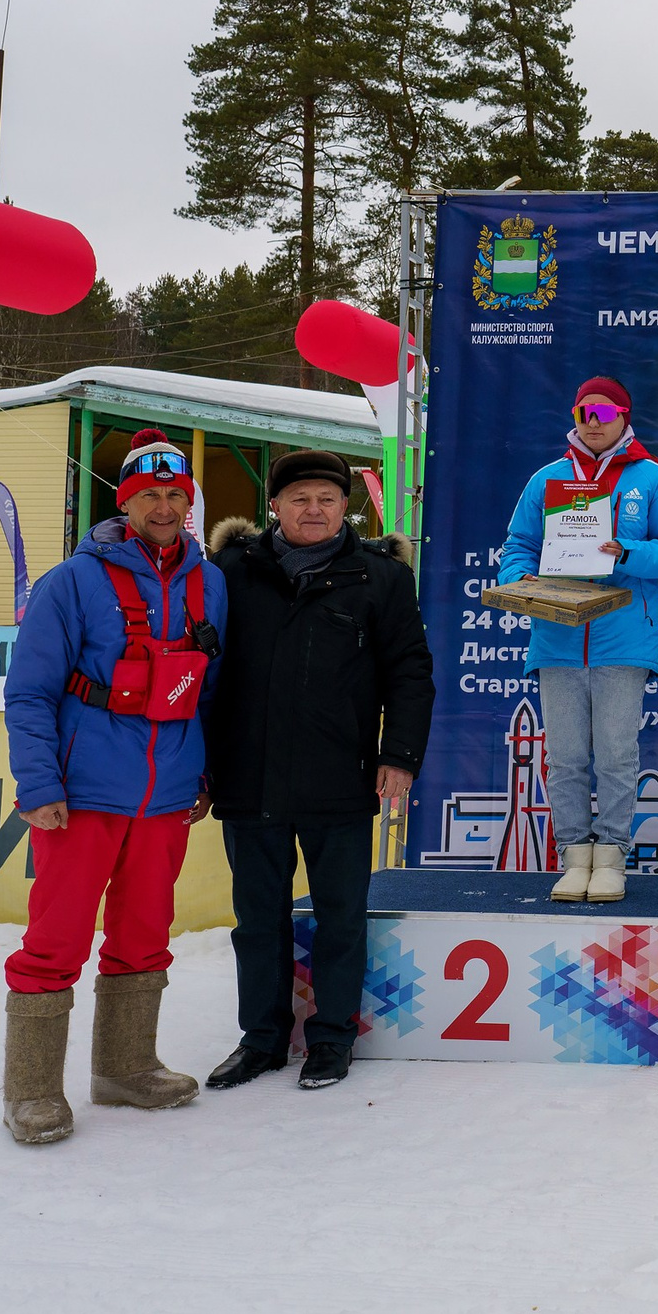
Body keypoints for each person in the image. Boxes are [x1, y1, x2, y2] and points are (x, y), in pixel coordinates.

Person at [0, 431, 227, 1146]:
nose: (163, 507)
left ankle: (126, 1067)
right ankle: (32, 1089)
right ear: (124, 502)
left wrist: (205, 773)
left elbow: (212, 691)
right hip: (82, 794)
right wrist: (38, 782)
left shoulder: (211, 582)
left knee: (145, 933)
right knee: (56, 938)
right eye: (148, 494)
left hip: (167, 795)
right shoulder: (72, 581)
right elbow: (29, 691)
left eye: (175, 495)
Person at [201, 449, 435, 1092]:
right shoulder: (228, 572)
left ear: (344, 507)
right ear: (273, 505)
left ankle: (332, 1038)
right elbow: (203, 675)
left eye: (327, 499)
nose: (313, 509)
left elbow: (410, 673)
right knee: (257, 921)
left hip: (341, 777)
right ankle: (262, 1040)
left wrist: (399, 755)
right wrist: (199, 765)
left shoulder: (381, 578)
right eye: (299, 498)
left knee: (341, 917)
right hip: (248, 778)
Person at [498, 377, 658, 902]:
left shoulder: (652, 478)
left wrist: (626, 551)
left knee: (614, 756)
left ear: (624, 418)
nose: (592, 421)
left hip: (623, 637)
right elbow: (518, 545)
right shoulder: (548, 478)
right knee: (564, 758)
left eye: (604, 413)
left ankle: (610, 857)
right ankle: (573, 857)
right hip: (556, 636)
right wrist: (519, 578)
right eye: (584, 411)